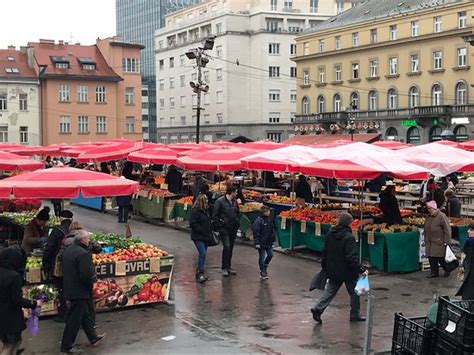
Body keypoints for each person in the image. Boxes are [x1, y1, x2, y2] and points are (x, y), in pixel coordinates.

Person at [311, 213, 368, 324]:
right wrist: (361, 268)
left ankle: (318, 308)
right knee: (355, 292)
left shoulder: (330, 233)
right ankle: (355, 314)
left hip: (333, 269)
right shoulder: (349, 237)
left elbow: (325, 251)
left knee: (330, 291)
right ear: (349, 223)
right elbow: (351, 257)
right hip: (348, 271)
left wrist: (325, 265)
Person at [61, 231, 105, 353]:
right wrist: (92, 282)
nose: (89, 241)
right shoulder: (83, 253)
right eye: (88, 239)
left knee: (84, 314)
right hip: (79, 290)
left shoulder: (69, 250)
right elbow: (86, 274)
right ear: (82, 240)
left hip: (70, 287)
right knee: (74, 320)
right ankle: (66, 346)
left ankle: (93, 337)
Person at [0, 246, 39, 355]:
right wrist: (33, 303)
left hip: (3, 316)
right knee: (9, 345)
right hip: (9, 317)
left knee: (14, 341)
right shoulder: (14, 276)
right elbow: (17, 300)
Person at [42, 210, 74, 322]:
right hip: (74, 265)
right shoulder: (75, 230)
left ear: (60, 218)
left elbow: (49, 248)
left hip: (59, 264)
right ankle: (73, 313)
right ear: (71, 219)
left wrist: (45, 264)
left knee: (61, 289)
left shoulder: (57, 230)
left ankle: (63, 314)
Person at [213, 185, 240, 277]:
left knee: (231, 247)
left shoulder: (234, 202)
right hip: (224, 228)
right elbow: (215, 215)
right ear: (232, 192)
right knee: (227, 246)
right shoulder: (220, 201)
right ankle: (224, 267)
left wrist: (237, 223)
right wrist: (219, 226)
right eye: (236, 192)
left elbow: (237, 213)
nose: (237, 193)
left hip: (233, 228)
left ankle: (228, 266)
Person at [424, 200, 452, 278]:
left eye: (430, 208)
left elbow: (447, 229)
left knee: (440, 258)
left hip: (439, 241)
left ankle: (447, 269)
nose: (429, 210)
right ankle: (434, 272)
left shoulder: (441, 216)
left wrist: (447, 241)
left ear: (434, 208)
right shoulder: (428, 216)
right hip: (430, 240)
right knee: (431, 257)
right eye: (428, 208)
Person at [189, 194, 212, 283]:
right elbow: (193, 224)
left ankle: (200, 271)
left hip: (205, 236)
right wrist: (202, 230)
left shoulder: (206, 210)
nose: (207, 201)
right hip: (198, 236)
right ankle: (200, 272)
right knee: (202, 253)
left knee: (204, 254)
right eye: (206, 200)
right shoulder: (196, 211)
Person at [253, 206, 275, 279]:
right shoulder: (258, 221)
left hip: (268, 242)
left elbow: (271, 230)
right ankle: (262, 271)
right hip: (261, 243)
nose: (269, 212)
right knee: (262, 256)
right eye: (268, 211)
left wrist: (272, 239)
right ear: (264, 212)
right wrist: (257, 243)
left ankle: (265, 266)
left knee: (270, 255)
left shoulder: (269, 219)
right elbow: (256, 232)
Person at [456, 224, 474, 300]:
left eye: (471, 230)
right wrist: (463, 266)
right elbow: (465, 255)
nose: (468, 231)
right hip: (469, 270)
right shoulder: (468, 241)